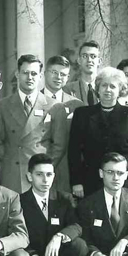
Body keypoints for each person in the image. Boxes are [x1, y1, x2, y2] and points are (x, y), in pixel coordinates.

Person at [19, 153, 87, 256]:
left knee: (80, 246)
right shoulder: (19, 202)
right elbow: (16, 235)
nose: (45, 180)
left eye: (49, 174)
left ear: (54, 176)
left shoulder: (64, 199)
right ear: (29, 176)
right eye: (39, 174)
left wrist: (59, 237)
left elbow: (76, 226)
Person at [68, 66, 128, 199]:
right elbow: (74, 151)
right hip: (92, 181)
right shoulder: (82, 114)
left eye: (113, 86)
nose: (108, 90)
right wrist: (76, 182)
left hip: (123, 180)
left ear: (120, 90)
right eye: (104, 85)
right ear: (97, 89)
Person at [0, 55, 66, 194]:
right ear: (17, 74)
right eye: (25, 73)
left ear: (40, 76)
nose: (29, 77)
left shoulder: (54, 106)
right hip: (13, 175)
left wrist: (43, 168)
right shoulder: (1, 106)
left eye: (34, 73)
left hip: (41, 176)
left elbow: (59, 146)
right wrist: (11, 161)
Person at [42, 54, 80, 194]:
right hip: (39, 170)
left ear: (68, 77)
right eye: (54, 72)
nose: (58, 77)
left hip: (66, 171)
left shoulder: (77, 105)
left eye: (63, 74)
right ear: (45, 73)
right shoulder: (33, 102)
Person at [65, 40, 102, 105]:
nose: (89, 60)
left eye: (93, 56)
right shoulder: (67, 90)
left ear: (99, 61)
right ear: (79, 60)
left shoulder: (106, 88)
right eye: (85, 56)